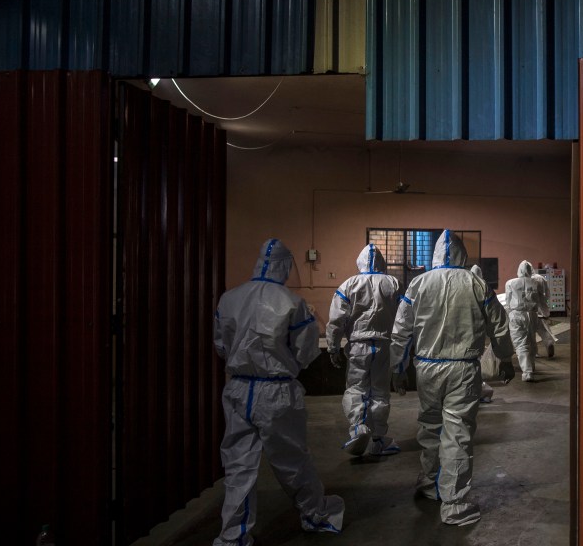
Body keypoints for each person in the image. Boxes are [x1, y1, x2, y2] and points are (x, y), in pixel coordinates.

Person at [213, 239, 344, 545]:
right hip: (276, 392)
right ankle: (315, 513)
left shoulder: (229, 299)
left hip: (237, 388)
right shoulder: (291, 302)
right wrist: (286, 365)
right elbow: (306, 350)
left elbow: (221, 345)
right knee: (292, 460)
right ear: (285, 266)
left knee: (238, 466)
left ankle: (233, 536)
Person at [390, 230, 515, 526]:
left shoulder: (418, 284)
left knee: (431, 425)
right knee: (457, 432)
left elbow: (401, 330)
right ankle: (455, 502)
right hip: (462, 368)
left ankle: (431, 482)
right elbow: (498, 323)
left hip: (427, 368)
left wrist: (397, 367)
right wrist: (505, 358)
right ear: (462, 254)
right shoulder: (476, 283)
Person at [326, 243, 403, 456]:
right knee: (380, 391)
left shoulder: (348, 285)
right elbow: (404, 316)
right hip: (384, 345)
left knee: (356, 388)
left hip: (357, 345)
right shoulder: (393, 283)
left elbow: (336, 320)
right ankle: (378, 439)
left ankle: (358, 427)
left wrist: (333, 347)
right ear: (382, 261)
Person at [504, 260, 549, 382]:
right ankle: (531, 367)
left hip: (516, 315)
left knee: (520, 343)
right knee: (531, 340)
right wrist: (546, 313)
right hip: (532, 315)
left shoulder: (510, 283)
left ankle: (527, 372)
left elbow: (507, 301)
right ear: (530, 270)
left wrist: (507, 315)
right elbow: (542, 300)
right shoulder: (536, 283)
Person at [470, 264, 505, 402]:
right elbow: (496, 319)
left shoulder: (459, 286)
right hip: (478, 330)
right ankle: (479, 391)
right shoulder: (484, 287)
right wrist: (505, 356)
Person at [531, 269, 557, 358]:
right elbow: (547, 295)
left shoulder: (524, 280)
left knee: (531, 334)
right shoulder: (541, 278)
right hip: (541, 310)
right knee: (544, 330)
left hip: (530, 311)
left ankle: (534, 352)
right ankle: (549, 343)